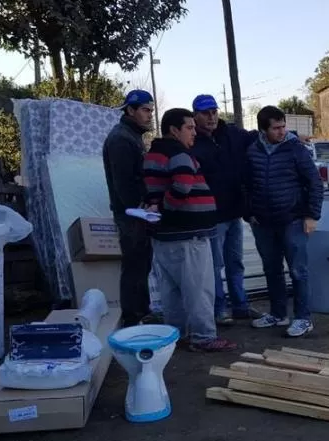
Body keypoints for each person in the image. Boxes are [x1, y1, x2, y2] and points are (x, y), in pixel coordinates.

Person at [142, 108, 238, 353]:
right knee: (199, 289)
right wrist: (164, 207)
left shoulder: (154, 153)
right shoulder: (178, 153)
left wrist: (157, 207)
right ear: (174, 130)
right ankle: (204, 336)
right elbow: (182, 187)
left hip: (165, 235)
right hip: (188, 235)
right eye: (189, 127)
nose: (194, 132)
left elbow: (154, 190)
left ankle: (176, 335)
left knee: (172, 291)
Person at [244, 106, 323, 338]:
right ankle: (278, 314)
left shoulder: (296, 150)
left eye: (283, 126)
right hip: (263, 222)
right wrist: (249, 213)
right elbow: (245, 185)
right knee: (272, 269)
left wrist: (311, 216)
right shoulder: (252, 151)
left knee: (299, 271)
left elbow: (315, 184)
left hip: (293, 220)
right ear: (263, 129)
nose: (282, 132)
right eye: (276, 128)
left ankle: (303, 318)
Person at [189, 94, 261, 326]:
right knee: (215, 265)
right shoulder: (192, 142)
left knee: (235, 262)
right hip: (212, 215)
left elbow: (254, 136)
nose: (211, 117)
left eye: (213, 112)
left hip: (234, 212)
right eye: (205, 113)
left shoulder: (231, 134)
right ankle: (220, 308)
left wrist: (290, 136)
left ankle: (240, 305)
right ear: (195, 116)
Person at [102, 89, 157, 327]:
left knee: (141, 264)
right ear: (130, 110)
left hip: (136, 213)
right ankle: (134, 318)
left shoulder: (131, 135)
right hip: (132, 215)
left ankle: (142, 312)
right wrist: (140, 211)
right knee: (135, 265)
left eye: (151, 111)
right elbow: (124, 183)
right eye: (145, 110)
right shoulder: (121, 139)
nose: (149, 115)